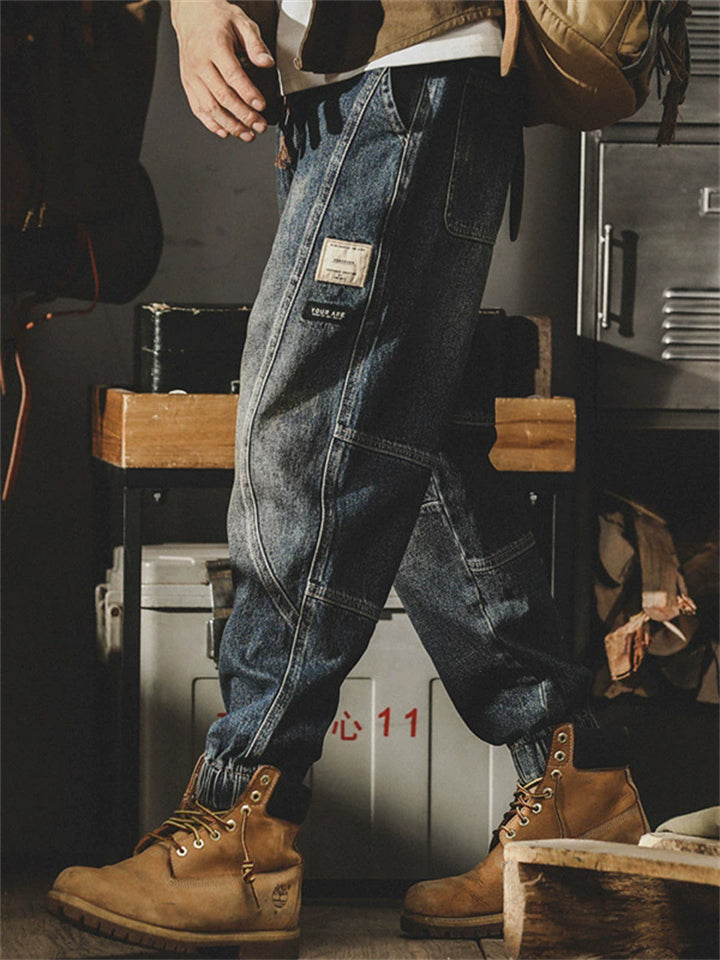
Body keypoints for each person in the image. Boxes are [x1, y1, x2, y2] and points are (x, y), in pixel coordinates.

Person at [47, 1, 648, 956]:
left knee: (305, 442)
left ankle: (242, 828)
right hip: (377, 83)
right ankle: (580, 792)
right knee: (416, 457)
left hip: (400, 71)